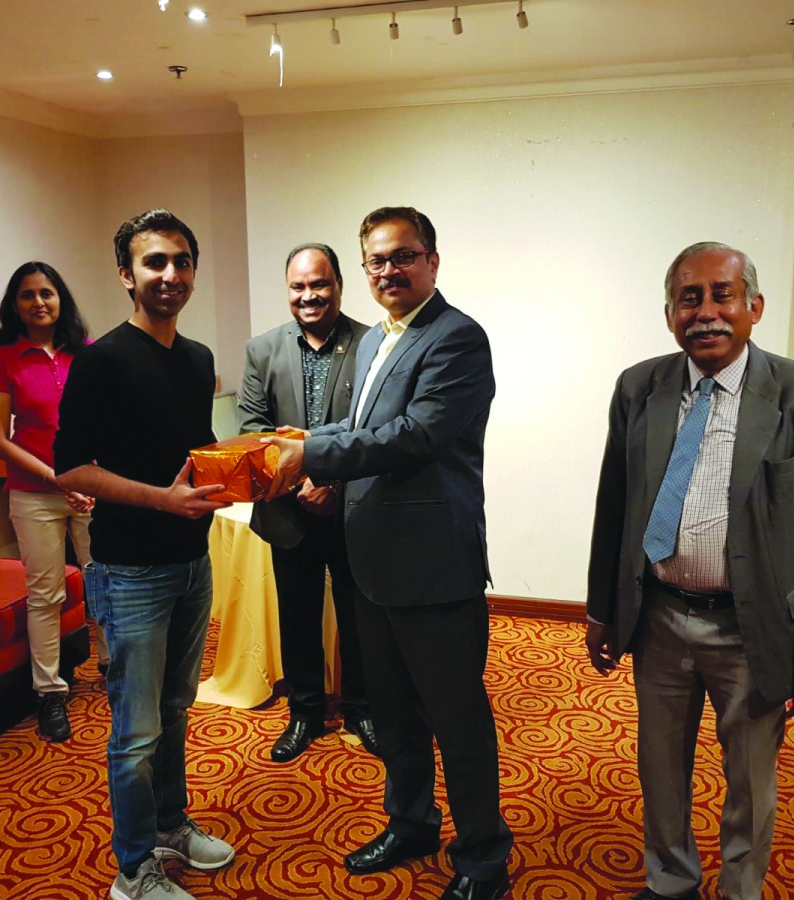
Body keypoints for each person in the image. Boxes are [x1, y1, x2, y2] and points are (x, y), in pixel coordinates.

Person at [585, 242, 794, 900]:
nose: (706, 312)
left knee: (750, 782)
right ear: (670, 313)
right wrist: (602, 609)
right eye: (689, 297)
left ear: (753, 307)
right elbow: (614, 506)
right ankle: (671, 880)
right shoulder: (639, 387)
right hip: (661, 619)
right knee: (660, 768)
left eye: (722, 295)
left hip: (752, 628)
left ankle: (741, 889)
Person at [265, 207, 513, 900]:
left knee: (456, 720)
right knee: (397, 716)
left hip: (434, 566)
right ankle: (411, 823)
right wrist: (311, 444)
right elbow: (362, 427)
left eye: (402, 256)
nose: (388, 270)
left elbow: (415, 435)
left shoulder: (458, 338)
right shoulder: (376, 341)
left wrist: (311, 451)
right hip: (370, 561)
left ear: (432, 260)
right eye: (376, 260)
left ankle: (483, 860)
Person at [53, 210, 236, 900]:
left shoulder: (197, 359)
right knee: (135, 731)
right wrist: (160, 500)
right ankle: (133, 870)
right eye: (155, 262)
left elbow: (193, 452)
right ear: (127, 274)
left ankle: (171, 824)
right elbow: (69, 468)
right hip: (129, 571)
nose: (172, 275)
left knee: (178, 708)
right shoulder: (100, 361)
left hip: (192, 562)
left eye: (183, 261)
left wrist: (254, 462)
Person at [238, 243, 378, 762]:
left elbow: (377, 429)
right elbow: (252, 429)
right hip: (287, 508)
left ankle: (363, 707)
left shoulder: (372, 344)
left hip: (353, 509)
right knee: (296, 615)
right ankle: (305, 712)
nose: (309, 295)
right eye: (298, 287)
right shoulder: (262, 349)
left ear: (339, 284)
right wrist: (302, 482)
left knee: (359, 613)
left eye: (319, 284)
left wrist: (332, 482)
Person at [0, 261, 101, 743]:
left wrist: (94, 478)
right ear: (15, 305)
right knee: (46, 594)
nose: (39, 302)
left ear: (61, 299)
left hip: (92, 489)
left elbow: (106, 417)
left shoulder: (86, 354)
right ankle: (50, 692)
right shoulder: (2, 360)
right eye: (28, 295)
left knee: (106, 583)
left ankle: (115, 670)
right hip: (34, 496)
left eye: (47, 293)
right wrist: (59, 478)